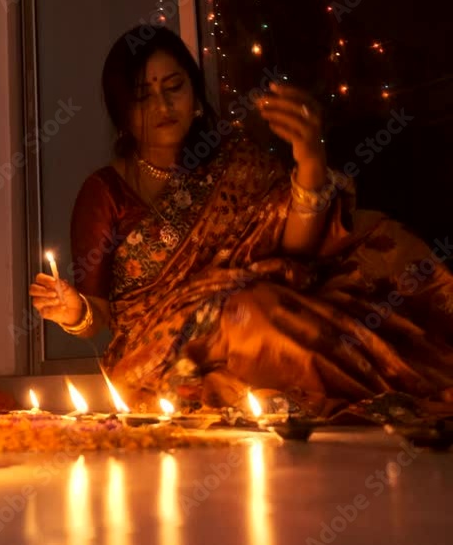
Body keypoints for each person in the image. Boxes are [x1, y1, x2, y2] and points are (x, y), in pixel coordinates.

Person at [30, 26, 453, 416]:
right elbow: (98, 316)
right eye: (143, 96)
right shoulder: (105, 192)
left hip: (254, 311)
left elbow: (296, 249)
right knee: (248, 312)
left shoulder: (235, 161)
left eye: (174, 87)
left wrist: (309, 159)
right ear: (122, 112)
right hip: (153, 358)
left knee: (376, 246)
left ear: (195, 95)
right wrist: (73, 311)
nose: (163, 105)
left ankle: (400, 390)